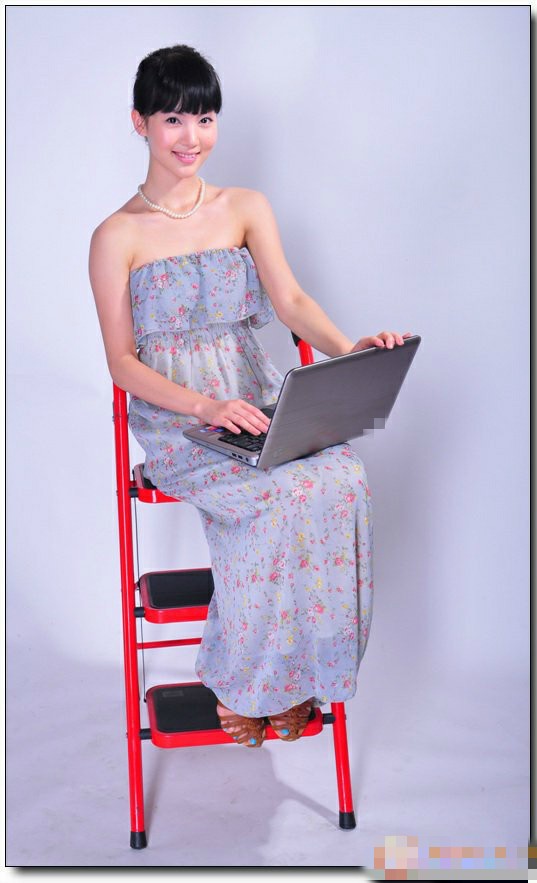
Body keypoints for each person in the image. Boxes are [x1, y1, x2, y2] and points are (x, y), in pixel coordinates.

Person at [89, 44, 410, 748]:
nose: (191, 137)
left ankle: (293, 677)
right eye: (174, 119)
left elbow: (290, 301)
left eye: (205, 119)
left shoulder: (243, 206)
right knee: (278, 499)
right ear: (140, 122)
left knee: (342, 478)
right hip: (180, 418)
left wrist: (349, 348)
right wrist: (203, 407)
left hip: (258, 399)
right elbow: (121, 362)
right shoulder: (116, 236)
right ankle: (246, 684)